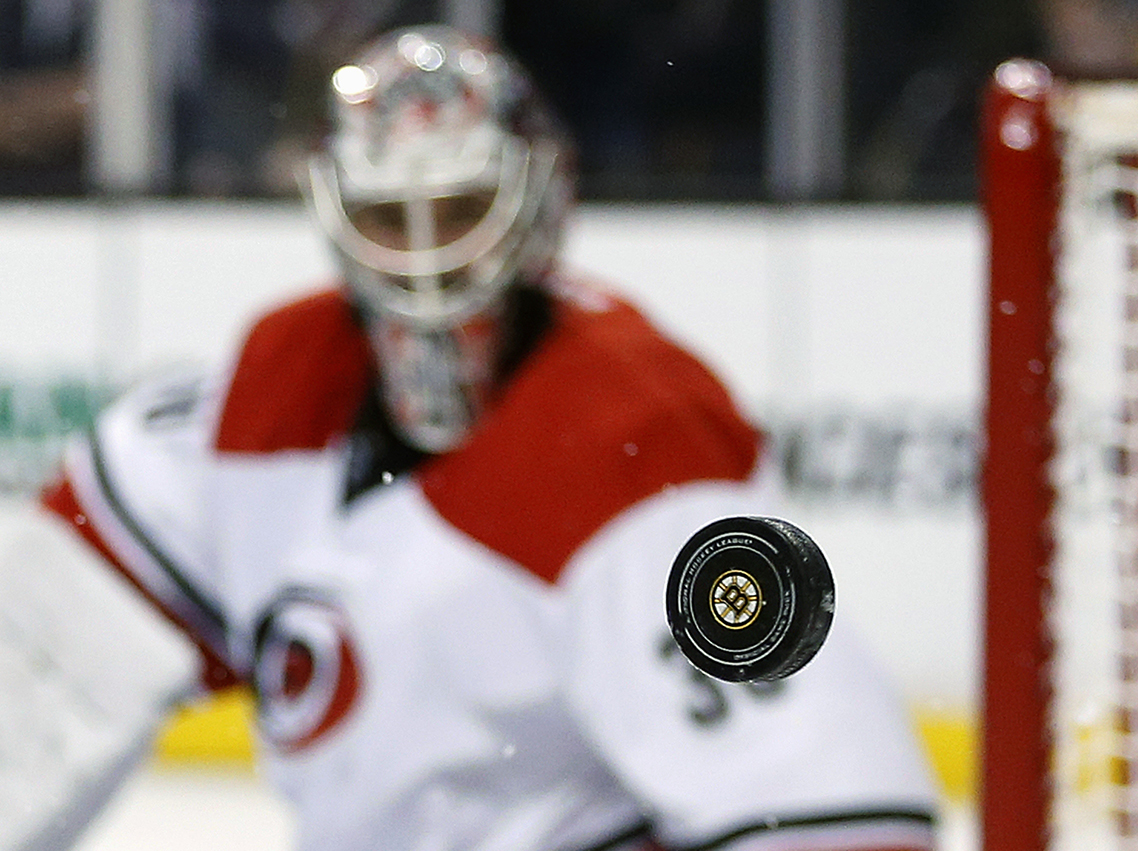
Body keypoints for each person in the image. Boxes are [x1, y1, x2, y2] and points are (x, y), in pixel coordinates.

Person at [1, 24, 938, 851]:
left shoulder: (638, 443)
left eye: (457, 210)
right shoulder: (274, 391)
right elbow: (51, 653)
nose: (425, 258)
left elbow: (834, 812)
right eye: (386, 217)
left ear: (537, 196)